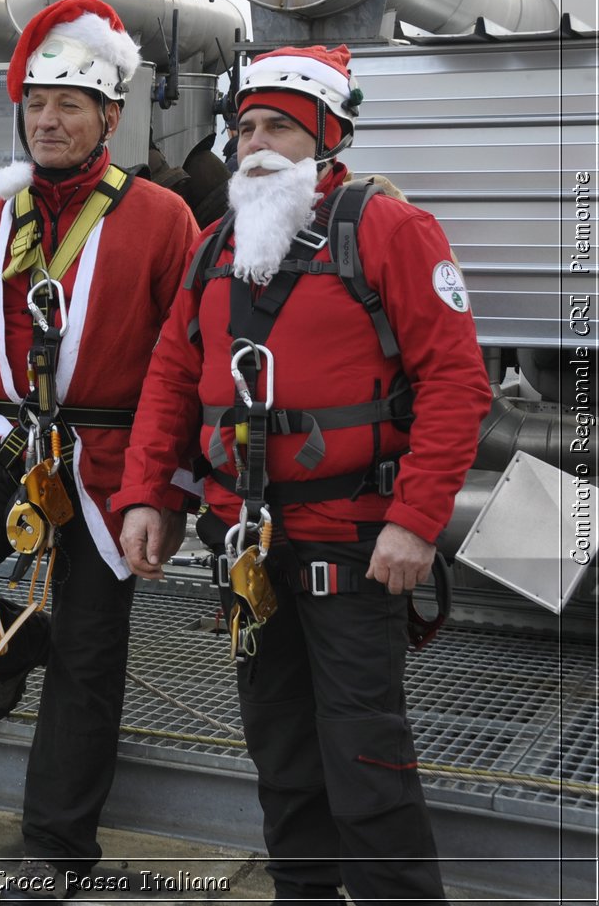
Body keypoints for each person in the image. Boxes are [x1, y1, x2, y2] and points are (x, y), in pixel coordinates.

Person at [116, 44, 490, 904]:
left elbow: (456, 383)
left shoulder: (391, 231)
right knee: (281, 754)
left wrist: (416, 518)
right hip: (249, 555)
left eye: (279, 125)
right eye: (245, 125)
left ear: (329, 134)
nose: (255, 143)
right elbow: (172, 381)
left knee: (367, 759)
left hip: (355, 547)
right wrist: (145, 496)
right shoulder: (215, 249)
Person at [0, 0, 199, 902]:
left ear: (110, 118)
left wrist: (159, 492)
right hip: (1, 442)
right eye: (37, 103)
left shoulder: (163, 219)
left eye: (70, 104)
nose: (48, 119)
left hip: (111, 454)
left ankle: (57, 847)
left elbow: (186, 355)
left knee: (96, 654)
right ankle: (18, 648)